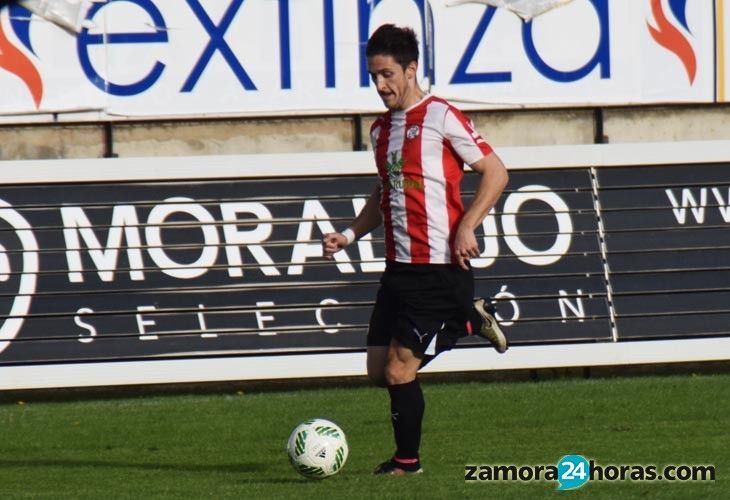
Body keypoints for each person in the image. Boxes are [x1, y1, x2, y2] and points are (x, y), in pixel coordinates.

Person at [321, 24, 509, 476]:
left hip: (439, 270)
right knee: (376, 369)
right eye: (373, 76)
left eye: (387, 74)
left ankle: (408, 462)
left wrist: (468, 225)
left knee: (400, 371)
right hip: (397, 271)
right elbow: (384, 194)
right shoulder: (379, 131)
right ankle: (468, 317)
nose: (380, 85)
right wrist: (348, 235)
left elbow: (496, 172)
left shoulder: (441, 116)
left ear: (410, 69)